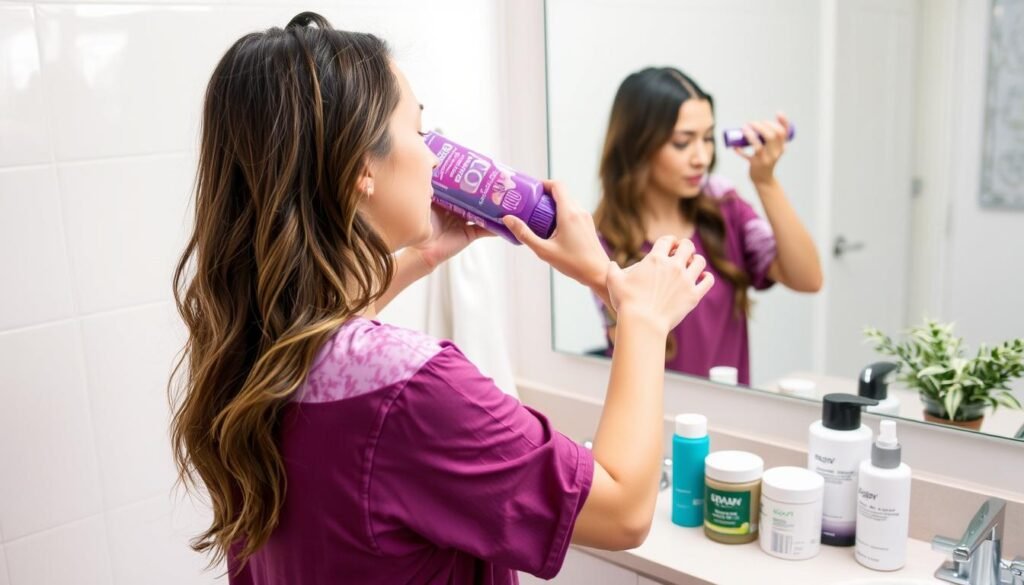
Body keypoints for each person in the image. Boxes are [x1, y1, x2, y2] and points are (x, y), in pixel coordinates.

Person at [169, 13, 713, 584]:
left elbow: (325, 331)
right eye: (419, 131)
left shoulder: (249, 348)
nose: (434, 157)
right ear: (361, 169)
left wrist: (424, 256)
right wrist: (645, 320)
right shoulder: (412, 392)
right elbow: (623, 511)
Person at [594, 67, 823, 385]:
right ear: (637, 145)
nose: (701, 158)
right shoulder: (605, 241)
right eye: (682, 142)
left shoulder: (724, 207)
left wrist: (765, 181)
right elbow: (632, 361)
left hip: (728, 413)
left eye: (707, 138)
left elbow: (808, 278)